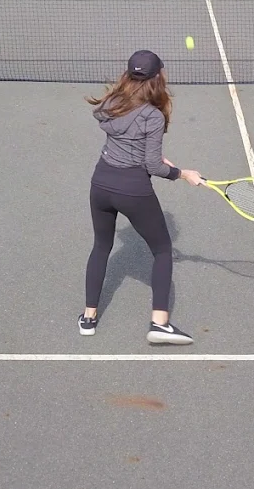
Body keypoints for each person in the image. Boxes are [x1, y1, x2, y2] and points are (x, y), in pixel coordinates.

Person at [82, 50, 203, 345]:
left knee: (101, 246)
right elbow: (152, 167)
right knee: (162, 250)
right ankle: (160, 324)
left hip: (101, 184)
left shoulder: (112, 103)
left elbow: (128, 142)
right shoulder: (152, 115)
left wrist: (154, 156)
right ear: (157, 77)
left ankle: (88, 318)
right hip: (133, 190)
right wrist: (183, 174)